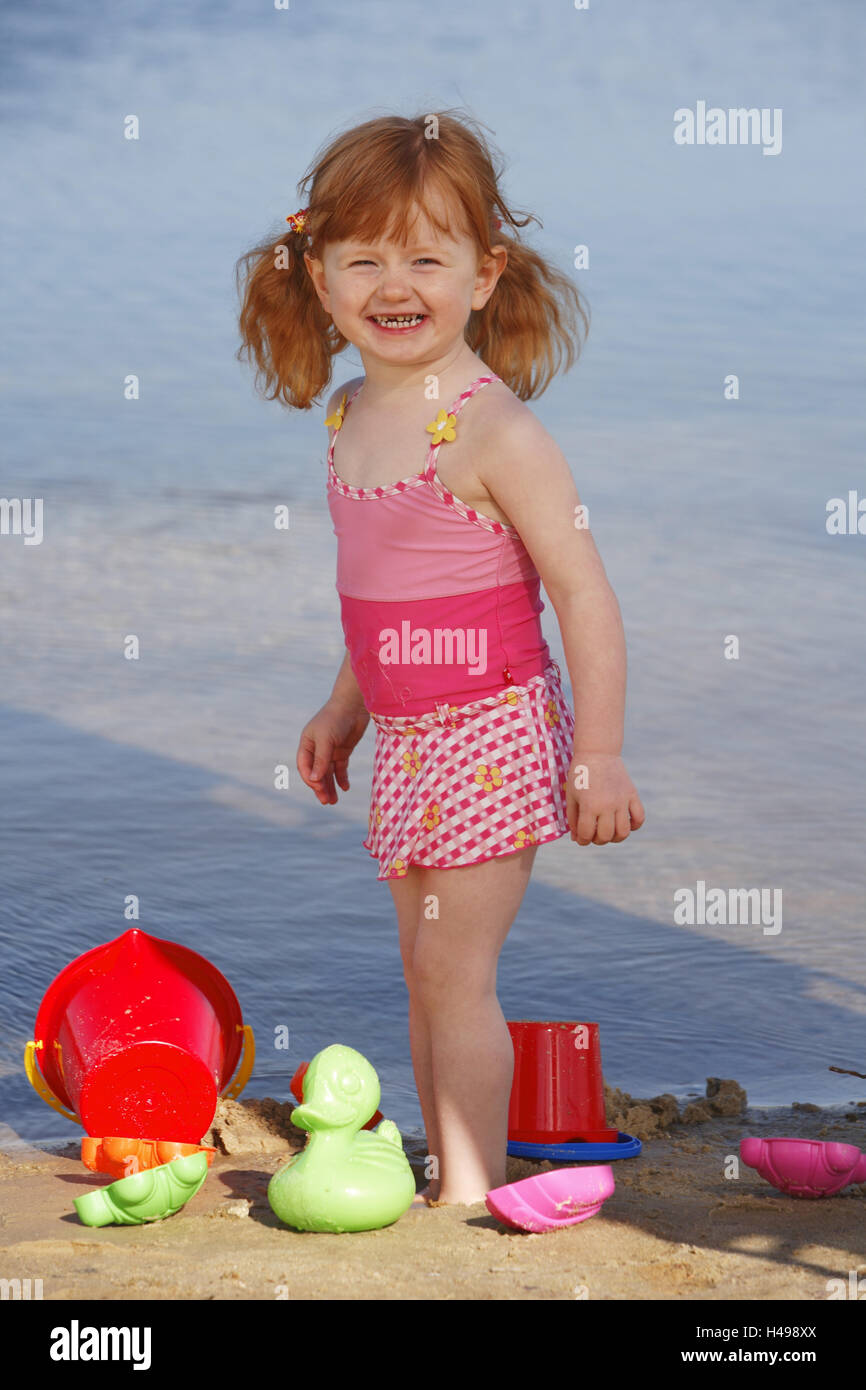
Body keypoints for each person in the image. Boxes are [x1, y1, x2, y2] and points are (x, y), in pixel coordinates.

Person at [236, 109, 645, 1207]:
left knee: (456, 974)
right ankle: (444, 1165)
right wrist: (343, 709)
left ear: (483, 274)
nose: (394, 281)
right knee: (423, 973)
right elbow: (383, 602)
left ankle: (470, 1185)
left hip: (492, 731)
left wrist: (597, 753)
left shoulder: (491, 429)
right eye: (363, 257)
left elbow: (581, 591)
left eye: (426, 255)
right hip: (409, 738)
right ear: (317, 279)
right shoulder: (351, 415)